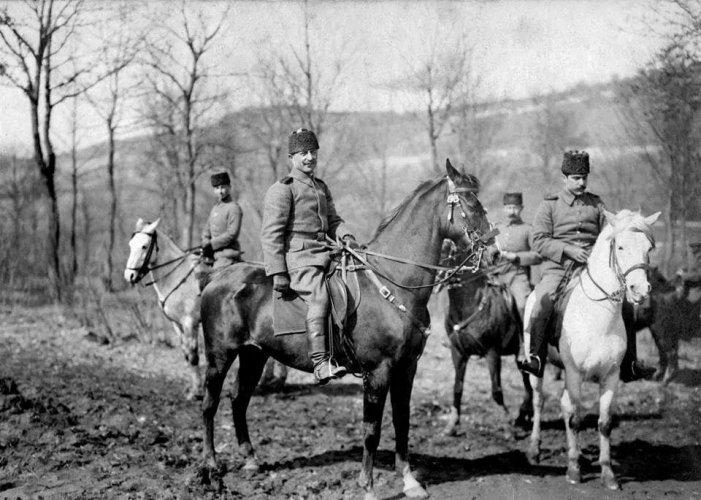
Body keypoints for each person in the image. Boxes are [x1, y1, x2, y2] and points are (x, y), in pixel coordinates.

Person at [517, 150, 648, 382]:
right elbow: (539, 241)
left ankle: (630, 364)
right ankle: (536, 358)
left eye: (584, 177)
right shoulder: (549, 206)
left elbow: (610, 234)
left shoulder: (596, 204)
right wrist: (568, 250)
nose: (581, 182)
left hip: (591, 269)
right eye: (576, 178)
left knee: (625, 305)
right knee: (541, 303)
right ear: (564, 178)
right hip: (558, 269)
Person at [261, 128, 359, 385]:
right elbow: (271, 234)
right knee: (320, 295)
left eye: (313, 152)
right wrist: (278, 272)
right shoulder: (283, 189)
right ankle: (320, 363)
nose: (309, 158)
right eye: (303, 153)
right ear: (291, 157)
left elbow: (335, 220)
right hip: (299, 260)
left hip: (325, 254)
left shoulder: (320, 187)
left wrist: (347, 236)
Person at [492, 192, 542, 322]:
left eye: (515, 208)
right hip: (495, 277)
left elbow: (538, 255)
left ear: (521, 208)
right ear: (504, 209)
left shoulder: (528, 229)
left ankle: (525, 339)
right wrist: (491, 252)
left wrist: (516, 256)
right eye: (508, 208)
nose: (511, 211)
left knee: (522, 306)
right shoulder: (496, 228)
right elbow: (482, 245)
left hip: (517, 277)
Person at [199, 171, 243, 279]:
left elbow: (232, 234)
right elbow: (207, 229)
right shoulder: (215, 208)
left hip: (226, 257)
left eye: (223, 187)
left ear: (229, 187)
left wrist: (211, 245)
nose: (220, 191)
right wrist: (205, 244)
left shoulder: (234, 208)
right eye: (217, 188)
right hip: (212, 256)